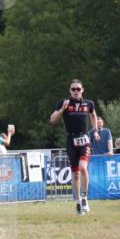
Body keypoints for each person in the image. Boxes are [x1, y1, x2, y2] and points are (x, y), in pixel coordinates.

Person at [50, 79, 100, 215]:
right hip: (71, 140)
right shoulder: (64, 103)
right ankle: (78, 202)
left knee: (83, 167)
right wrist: (62, 110)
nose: (76, 91)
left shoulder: (89, 103)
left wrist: (95, 131)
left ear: (82, 90)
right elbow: (52, 120)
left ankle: (85, 197)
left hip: (84, 139)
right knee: (75, 173)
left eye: (78, 89)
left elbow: (93, 115)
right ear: (69, 91)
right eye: (73, 89)